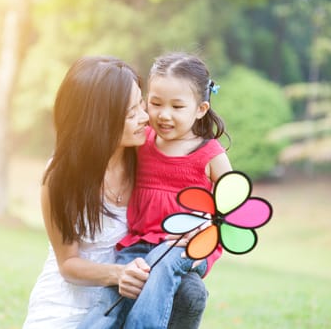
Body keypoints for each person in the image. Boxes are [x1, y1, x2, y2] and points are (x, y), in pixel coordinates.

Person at [23, 56, 208, 328]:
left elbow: (195, 183)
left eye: (142, 106)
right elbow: (68, 263)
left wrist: (198, 224)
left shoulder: (146, 155)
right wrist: (118, 273)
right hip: (68, 305)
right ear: (98, 120)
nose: (146, 118)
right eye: (131, 113)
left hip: (128, 301)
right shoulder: (62, 176)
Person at [78, 52, 233, 329]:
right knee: (114, 293)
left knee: (160, 269)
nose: (163, 115)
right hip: (138, 242)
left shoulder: (210, 154)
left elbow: (234, 206)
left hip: (185, 247)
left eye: (177, 106)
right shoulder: (143, 140)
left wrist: (206, 226)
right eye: (156, 103)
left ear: (200, 109)